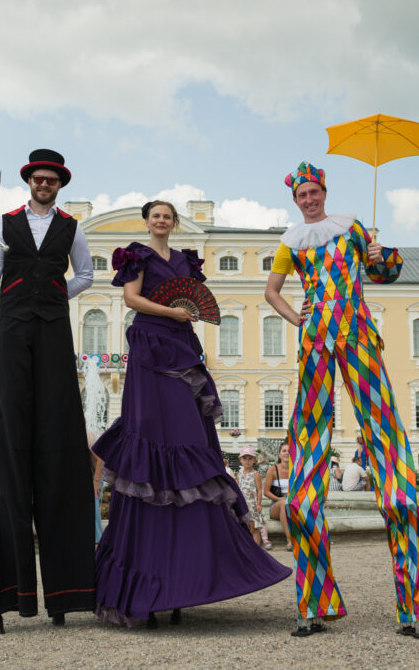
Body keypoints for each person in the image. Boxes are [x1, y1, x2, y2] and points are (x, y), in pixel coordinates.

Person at [265, 160, 419, 639]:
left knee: (398, 482)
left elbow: (386, 275)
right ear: (295, 200)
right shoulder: (289, 243)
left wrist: (381, 251)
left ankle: (414, 607)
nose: (309, 200)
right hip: (315, 341)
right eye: (301, 195)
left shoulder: (354, 228)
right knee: (302, 492)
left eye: (314, 192)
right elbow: (272, 292)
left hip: (359, 337)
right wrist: (295, 318)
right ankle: (313, 601)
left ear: (324, 192)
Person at [93, 200, 290, 629]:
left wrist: (184, 315)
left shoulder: (185, 260)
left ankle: (189, 577)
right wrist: (172, 311)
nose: (161, 222)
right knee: (148, 432)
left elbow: (195, 303)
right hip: (150, 345)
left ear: (173, 223)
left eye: (167, 216)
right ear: (147, 222)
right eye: (155, 217)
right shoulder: (136, 254)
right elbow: (131, 298)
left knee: (189, 434)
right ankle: (147, 580)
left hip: (181, 346)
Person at [0, 149, 96, 633]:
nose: (45, 184)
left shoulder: (72, 226)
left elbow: (84, 274)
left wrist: (61, 293)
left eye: (52, 180)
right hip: (14, 327)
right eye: (39, 179)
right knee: (15, 446)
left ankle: (65, 593)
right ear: (30, 182)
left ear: (59, 184)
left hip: (54, 330)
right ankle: (10, 597)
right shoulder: (4, 223)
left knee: (58, 442)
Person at [263, 442, 292, 550]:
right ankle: (289, 540)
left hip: (291, 504)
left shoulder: (296, 469)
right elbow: (266, 492)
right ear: (279, 454)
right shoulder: (273, 469)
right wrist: (279, 499)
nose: (287, 453)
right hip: (276, 505)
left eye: (289, 451)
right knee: (284, 503)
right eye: (284, 451)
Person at [237, 447, 265, 546]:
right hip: (242, 504)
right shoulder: (239, 474)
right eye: (244, 458)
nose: (247, 461)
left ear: (254, 460)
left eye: (250, 458)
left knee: (254, 527)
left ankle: (257, 548)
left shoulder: (256, 474)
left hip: (252, 504)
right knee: (244, 526)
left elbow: (259, 490)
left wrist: (258, 504)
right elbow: (238, 489)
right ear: (240, 460)